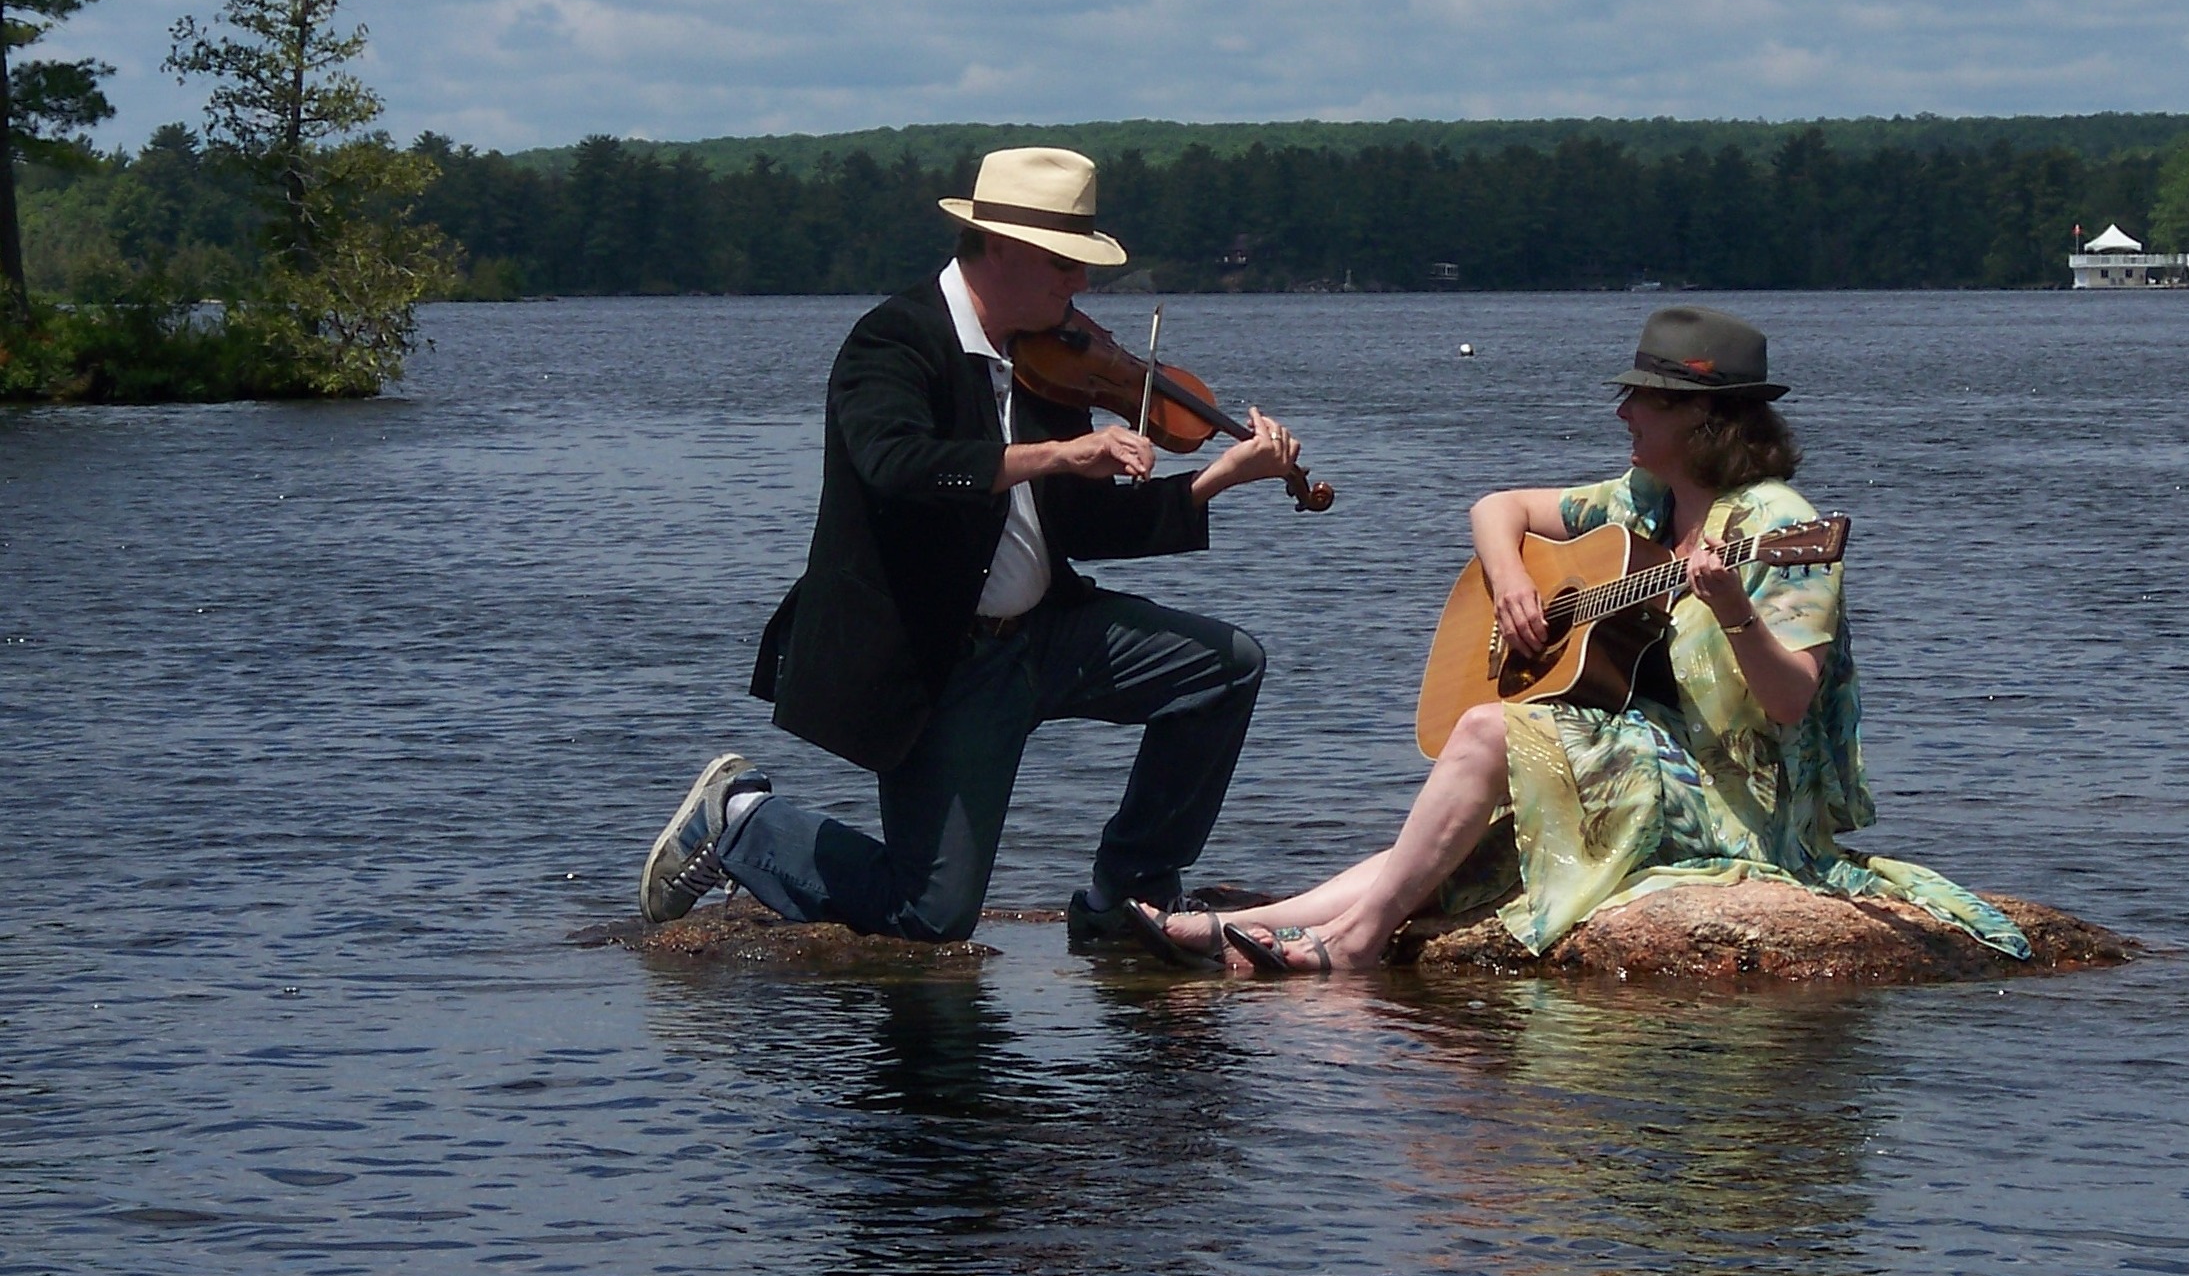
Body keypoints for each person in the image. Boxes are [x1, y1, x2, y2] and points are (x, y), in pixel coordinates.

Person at [1135, 306, 2031, 973]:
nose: (1623, 415)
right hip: (1653, 755)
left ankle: (1356, 940)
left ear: (1704, 418)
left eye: (1644, 399)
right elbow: (1494, 507)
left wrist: (1731, 608)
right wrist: (1518, 581)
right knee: (1471, 824)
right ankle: (1250, 926)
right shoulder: (1638, 502)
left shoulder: (1778, 525)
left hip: (1744, 801)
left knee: (1491, 732)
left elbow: (1792, 699)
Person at [636, 146, 1303, 943]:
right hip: (939, 658)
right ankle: (742, 820)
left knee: (1223, 666)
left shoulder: (1047, 357)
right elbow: (900, 468)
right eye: (1064, 263)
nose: (1079, 285)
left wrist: (1221, 476)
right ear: (1001, 248)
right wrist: (1058, 454)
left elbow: (1085, 527)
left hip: (1048, 636)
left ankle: (1128, 896)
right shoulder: (892, 341)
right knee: (931, 916)